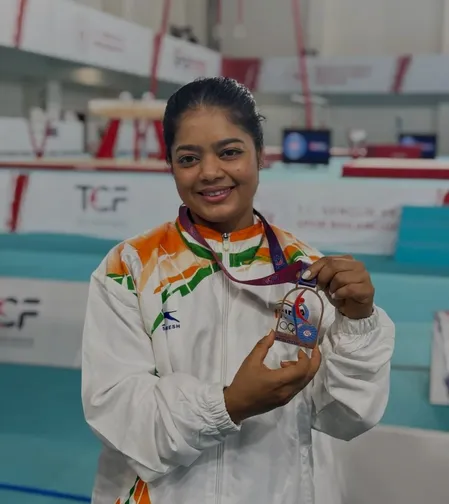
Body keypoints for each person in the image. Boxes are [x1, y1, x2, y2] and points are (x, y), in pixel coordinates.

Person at [81, 77, 395, 504]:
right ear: (169, 164)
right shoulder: (129, 267)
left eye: (229, 152)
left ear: (260, 154)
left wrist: (357, 323)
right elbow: (117, 410)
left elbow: (346, 417)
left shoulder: (308, 273)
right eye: (188, 158)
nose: (210, 172)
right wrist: (228, 405)